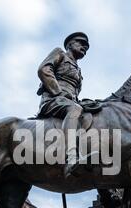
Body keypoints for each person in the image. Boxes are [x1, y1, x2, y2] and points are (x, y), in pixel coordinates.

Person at [36, 32, 89, 177]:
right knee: (75, 109)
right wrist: (58, 92)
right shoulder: (59, 53)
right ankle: (71, 157)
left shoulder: (79, 71)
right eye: (80, 43)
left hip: (70, 102)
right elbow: (44, 70)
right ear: (70, 44)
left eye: (86, 46)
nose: (84, 47)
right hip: (53, 99)